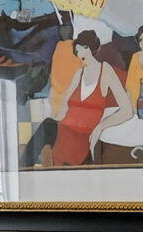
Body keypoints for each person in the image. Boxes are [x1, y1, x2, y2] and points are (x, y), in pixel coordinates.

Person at [52, 31, 133, 166]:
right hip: (64, 130)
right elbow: (64, 104)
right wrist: (57, 117)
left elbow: (127, 111)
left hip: (82, 137)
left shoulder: (105, 70)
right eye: (77, 51)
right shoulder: (79, 73)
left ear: (91, 48)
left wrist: (100, 127)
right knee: (48, 126)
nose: (79, 55)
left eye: (82, 49)